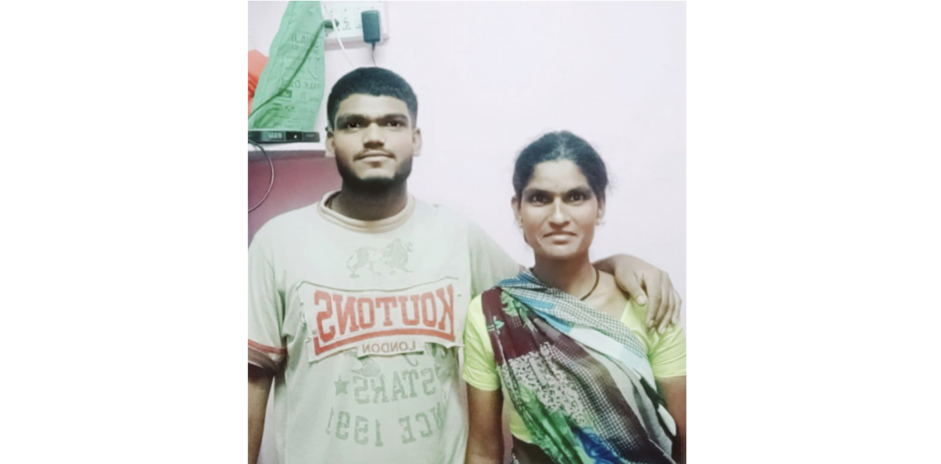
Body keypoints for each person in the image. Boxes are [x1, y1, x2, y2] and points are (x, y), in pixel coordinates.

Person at [248, 68, 682, 464]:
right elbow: (250, 382)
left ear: (416, 138)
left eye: (392, 123)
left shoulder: (457, 235)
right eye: (354, 124)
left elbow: (545, 295)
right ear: (330, 140)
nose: (374, 137)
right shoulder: (278, 243)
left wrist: (619, 264)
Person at [463, 131, 687, 464]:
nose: (557, 217)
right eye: (540, 198)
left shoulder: (647, 303)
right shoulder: (492, 315)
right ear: (518, 209)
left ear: (600, 206)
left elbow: (687, 440)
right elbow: (483, 451)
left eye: (575, 197)